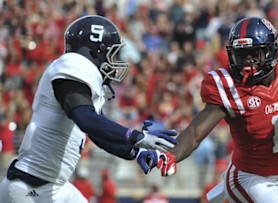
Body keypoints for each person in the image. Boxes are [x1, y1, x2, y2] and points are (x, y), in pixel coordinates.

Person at [160, 17, 278, 203]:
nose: (247, 62)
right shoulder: (228, 86)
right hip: (247, 178)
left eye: (254, 54)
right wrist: (172, 154)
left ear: (272, 52)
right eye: (241, 55)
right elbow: (195, 133)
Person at [0, 15, 178, 203]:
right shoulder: (72, 66)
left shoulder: (84, 86)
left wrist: (136, 151)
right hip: (30, 188)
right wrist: (137, 137)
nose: (115, 61)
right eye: (112, 53)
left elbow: (99, 136)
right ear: (95, 52)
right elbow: (86, 120)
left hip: (53, 187)